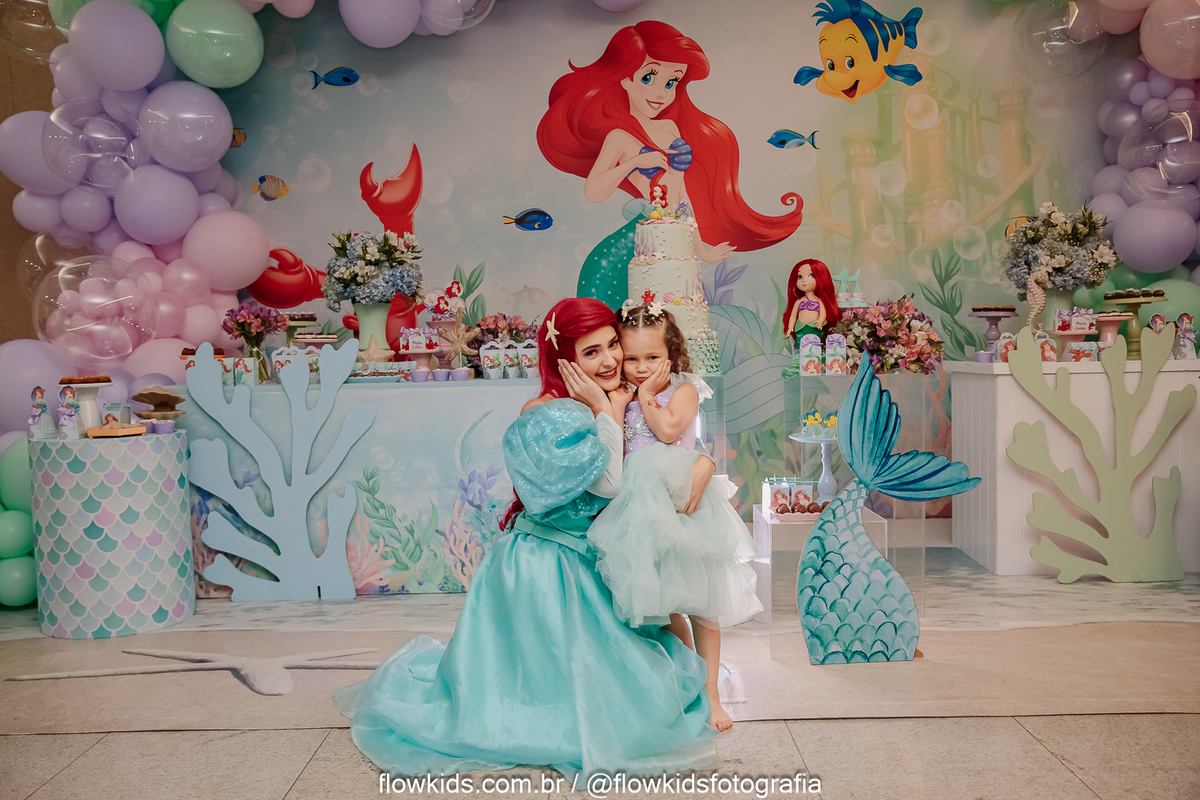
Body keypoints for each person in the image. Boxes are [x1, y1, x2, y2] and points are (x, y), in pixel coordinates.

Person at [335, 298, 720, 781]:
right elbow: (610, 484)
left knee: (646, 667)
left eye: (612, 346)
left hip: (595, 559)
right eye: (591, 353)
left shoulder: (625, 397)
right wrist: (606, 410)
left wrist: (704, 462)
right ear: (563, 359)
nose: (609, 361)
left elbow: (664, 448)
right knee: (557, 693)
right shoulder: (545, 414)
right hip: (544, 567)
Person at [586, 301, 762, 732]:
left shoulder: (682, 390)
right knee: (666, 606)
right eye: (632, 359)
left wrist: (646, 395)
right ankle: (689, 683)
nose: (641, 368)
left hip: (686, 511)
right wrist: (621, 402)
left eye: (653, 357)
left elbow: (667, 431)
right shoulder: (618, 396)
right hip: (641, 514)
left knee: (703, 607)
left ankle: (712, 694)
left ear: (672, 354)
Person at [538, 21, 803, 303]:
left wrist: (703, 251)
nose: (661, 94)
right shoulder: (620, 137)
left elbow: (681, 199)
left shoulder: (670, 129)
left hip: (669, 242)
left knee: (671, 316)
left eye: (670, 82)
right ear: (626, 79)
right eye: (648, 78)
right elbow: (593, 192)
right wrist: (633, 163)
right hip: (630, 250)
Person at [784, 258, 841, 346]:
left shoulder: (819, 300)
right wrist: (790, 327)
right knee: (801, 343)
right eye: (800, 277)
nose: (804, 281)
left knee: (815, 343)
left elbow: (823, 312)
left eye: (811, 276)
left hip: (814, 326)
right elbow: (793, 315)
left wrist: (821, 320)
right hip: (801, 327)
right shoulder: (799, 301)